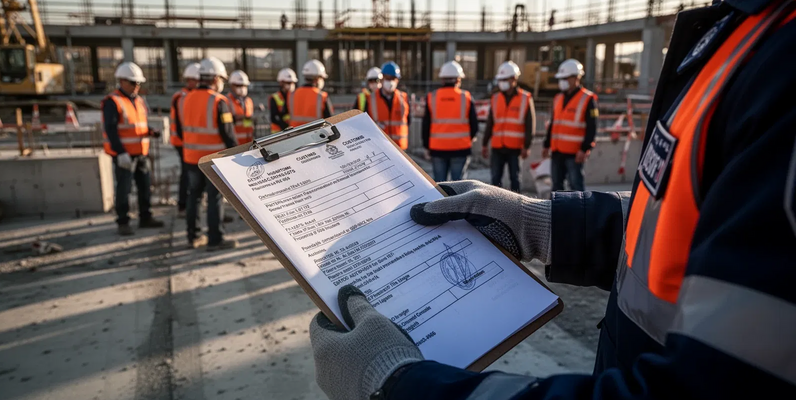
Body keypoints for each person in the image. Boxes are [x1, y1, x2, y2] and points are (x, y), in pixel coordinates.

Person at [308, 0, 796, 399]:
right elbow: (687, 220)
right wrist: (540, 222)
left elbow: (707, 390)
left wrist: (401, 386)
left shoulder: (781, 58)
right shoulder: (748, 34)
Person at [181, 57, 239, 251]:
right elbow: (228, 134)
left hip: (190, 158)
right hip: (211, 161)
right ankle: (215, 239)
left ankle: (193, 236)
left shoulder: (186, 97)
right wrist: (236, 156)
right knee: (214, 199)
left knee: (194, 197)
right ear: (215, 79)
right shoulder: (219, 101)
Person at [102, 61, 164, 236]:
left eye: (138, 83)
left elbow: (138, 126)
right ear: (121, 81)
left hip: (141, 154)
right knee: (124, 189)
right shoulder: (113, 102)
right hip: (125, 155)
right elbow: (111, 129)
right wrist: (120, 153)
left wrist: (151, 132)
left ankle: (145, 217)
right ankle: (123, 222)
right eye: (133, 82)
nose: (137, 86)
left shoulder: (138, 101)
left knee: (145, 187)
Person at [542, 58, 598, 191]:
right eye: (561, 78)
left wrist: (585, 149)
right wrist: (546, 144)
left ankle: (579, 212)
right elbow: (553, 123)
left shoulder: (587, 99)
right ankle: (557, 212)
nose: (562, 81)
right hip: (557, 151)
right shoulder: (558, 98)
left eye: (565, 78)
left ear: (576, 78)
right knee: (556, 187)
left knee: (576, 187)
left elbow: (592, 127)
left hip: (574, 153)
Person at [482, 61, 535, 192]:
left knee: (515, 179)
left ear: (514, 79)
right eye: (500, 79)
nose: (502, 82)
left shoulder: (525, 98)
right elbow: (490, 123)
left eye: (504, 79)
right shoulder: (495, 98)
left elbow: (530, 125)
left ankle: (516, 207)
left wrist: (527, 146)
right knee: (495, 179)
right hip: (497, 146)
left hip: (515, 148)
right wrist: (484, 143)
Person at [422, 60, 478, 182]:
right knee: (459, 187)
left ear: (442, 79)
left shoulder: (432, 97)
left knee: (440, 186)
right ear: (458, 80)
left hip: (437, 149)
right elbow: (474, 125)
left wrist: (426, 146)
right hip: (460, 148)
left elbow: (426, 125)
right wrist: (469, 138)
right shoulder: (466, 97)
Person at [170, 62, 200, 218]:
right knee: (188, 176)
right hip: (183, 143)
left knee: (191, 176)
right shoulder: (182, 97)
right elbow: (183, 124)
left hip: (188, 142)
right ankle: (183, 206)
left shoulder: (187, 96)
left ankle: (186, 206)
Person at [362, 61, 410, 150]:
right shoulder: (371, 99)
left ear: (397, 80)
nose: (391, 82)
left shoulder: (403, 98)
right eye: (388, 78)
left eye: (393, 78)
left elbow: (408, 121)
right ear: (382, 78)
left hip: (400, 150)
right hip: (380, 148)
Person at [289, 59, 334, 127]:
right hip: (316, 134)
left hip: (294, 134)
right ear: (317, 78)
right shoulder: (322, 96)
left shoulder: (292, 94)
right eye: (322, 78)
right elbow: (330, 120)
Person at [227, 70, 254, 144]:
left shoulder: (249, 101)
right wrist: (235, 118)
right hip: (233, 143)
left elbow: (248, 122)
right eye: (239, 85)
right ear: (232, 85)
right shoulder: (226, 101)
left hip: (248, 142)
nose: (242, 88)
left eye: (244, 86)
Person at [269, 68, 297, 133]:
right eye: (288, 83)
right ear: (281, 83)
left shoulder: (295, 96)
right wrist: (285, 126)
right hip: (278, 133)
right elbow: (274, 117)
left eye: (292, 83)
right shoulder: (274, 97)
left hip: (292, 131)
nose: (291, 85)